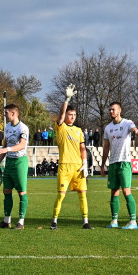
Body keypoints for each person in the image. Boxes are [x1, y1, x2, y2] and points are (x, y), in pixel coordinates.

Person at [50, 85, 91, 230]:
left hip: (78, 167)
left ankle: (85, 222)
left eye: (74, 115)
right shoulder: (61, 127)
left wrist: (85, 163)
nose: (72, 117)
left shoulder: (79, 131)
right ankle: (54, 220)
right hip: (65, 166)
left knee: (83, 195)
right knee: (61, 195)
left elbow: (82, 148)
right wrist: (67, 99)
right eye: (70, 114)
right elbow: (60, 115)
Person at [101, 101, 138, 229]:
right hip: (113, 163)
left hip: (124, 162)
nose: (111, 111)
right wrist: (102, 165)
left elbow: (134, 129)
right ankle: (114, 221)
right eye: (110, 110)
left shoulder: (127, 123)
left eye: (113, 109)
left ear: (120, 110)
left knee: (126, 191)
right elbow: (106, 147)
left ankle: (133, 222)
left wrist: (136, 131)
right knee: (114, 192)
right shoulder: (108, 128)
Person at [0, 104, 30, 229]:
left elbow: (22, 145)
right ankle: (6, 220)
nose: (5, 115)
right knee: (6, 191)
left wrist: (7, 149)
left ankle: (21, 221)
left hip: (20, 162)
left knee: (21, 192)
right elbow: (5, 145)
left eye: (6, 113)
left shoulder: (23, 128)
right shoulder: (8, 127)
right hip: (9, 162)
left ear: (13, 113)